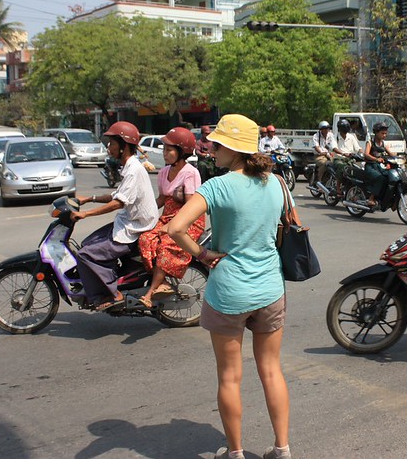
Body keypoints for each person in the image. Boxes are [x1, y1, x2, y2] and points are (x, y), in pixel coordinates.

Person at [164, 114, 291, 459]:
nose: (210, 149)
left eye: (216, 145)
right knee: (271, 370)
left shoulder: (217, 186)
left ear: (232, 149)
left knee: (230, 378)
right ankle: (282, 449)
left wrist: (203, 254)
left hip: (229, 292)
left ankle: (235, 453)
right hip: (269, 288)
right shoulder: (277, 183)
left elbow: (175, 228)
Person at [72, 121, 158, 311]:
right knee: (87, 243)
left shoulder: (134, 170)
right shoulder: (128, 167)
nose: (108, 147)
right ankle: (111, 279)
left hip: (135, 229)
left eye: (112, 143)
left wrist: (85, 214)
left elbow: (118, 203)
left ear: (124, 146)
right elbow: (116, 195)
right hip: (127, 223)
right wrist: (89, 199)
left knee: (85, 255)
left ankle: (113, 293)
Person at [137, 127, 205, 308]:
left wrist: (173, 226)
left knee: (167, 243)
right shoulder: (162, 172)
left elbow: (191, 205)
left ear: (182, 152)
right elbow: (161, 199)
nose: (165, 153)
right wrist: (141, 212)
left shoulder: (191, 172)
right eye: (164, 149)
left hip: (189, 220)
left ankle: (150, 292)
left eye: (169, 150)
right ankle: (163, 282)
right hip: (167, 217)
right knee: (145, 239)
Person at [363, 122, 396, 207]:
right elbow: (366, 154)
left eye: (385, 133)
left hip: (380, 167)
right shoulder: (370, 142)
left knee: (390, 177)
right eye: (382, 133)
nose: (384, 135)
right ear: (376, 133)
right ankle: (371, 198)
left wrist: (399, 157)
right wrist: (376, 159)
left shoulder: (384, 143)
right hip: (370, 166)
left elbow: (391, 154)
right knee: (381, 179)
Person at [331, 119, 362, 196]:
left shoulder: (351, 137)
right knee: (342, 167)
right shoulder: (334, 137)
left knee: (359, 169)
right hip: (339, 159)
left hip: (350, 159)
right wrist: (344, 153)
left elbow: (358, 148)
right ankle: (338, 187)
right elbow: (334, 148)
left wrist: (362, 153)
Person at [312, 120, 336, 185]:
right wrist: (321, 152)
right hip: (319, 156)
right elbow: (316, 146)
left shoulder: (331, 135)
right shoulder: (316, 136)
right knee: (324, 163)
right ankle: (319, 180)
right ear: (321, 129)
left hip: (329, 155)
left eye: (327, 128)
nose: (326, 130)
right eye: (324, 129)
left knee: (336, 163)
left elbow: (333, 144)